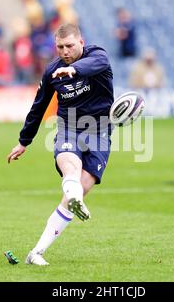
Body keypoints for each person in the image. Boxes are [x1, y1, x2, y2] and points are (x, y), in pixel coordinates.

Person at [6, 24, 114, 266]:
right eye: (60, 47)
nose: (64, 51)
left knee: (82, 185)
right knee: (70, 169)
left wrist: (73, 70)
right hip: (70, 126)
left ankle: (36, 251)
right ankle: (40, 249)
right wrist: (24, 140)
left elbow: (95, 65)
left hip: (100, 130)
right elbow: (39, 106)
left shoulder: (98, 56)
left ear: (81, 42)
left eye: (69, 46)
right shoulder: (52, 71)